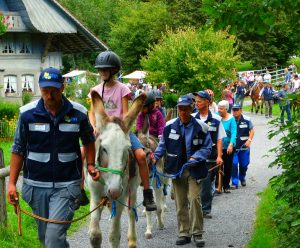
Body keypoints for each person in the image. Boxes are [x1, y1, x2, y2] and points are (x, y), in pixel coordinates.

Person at [7, 67, 100, 248]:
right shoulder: (26, 114)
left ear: (63, 88)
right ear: (40, 89)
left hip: (67, 187)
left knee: (53, 237)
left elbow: (89, 140)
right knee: (46, 238)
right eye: (45, 91)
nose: (49, 96)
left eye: (54, 91)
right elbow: (18, 148)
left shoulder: (78, 113)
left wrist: (90, 164)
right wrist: (11, 184)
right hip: (35, 186)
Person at [89, 50, 156, 211]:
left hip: (120, 130)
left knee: (140, 155)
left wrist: (123, 127)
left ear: (114, 71)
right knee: (83, 151)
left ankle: (147, 193)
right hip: (102, 130)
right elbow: (91, 113)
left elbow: (126, 113)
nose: (102, 72)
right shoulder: (95, 90)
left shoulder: (123, 89)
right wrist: (94, 127)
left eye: (105, 69)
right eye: (100, 69)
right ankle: (78, 189)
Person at [153, 94, 212, 247]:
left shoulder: (202, 127)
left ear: (192, 108)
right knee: (180, 202)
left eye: (186, 109)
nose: (183, 112)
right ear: (177, 109)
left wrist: (197, 157)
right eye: (180, 109)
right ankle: (184, 232)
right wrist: (155, 157)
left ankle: (197, 233)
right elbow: (162, 145)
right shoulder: (169, 127)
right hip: (177, 170)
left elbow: (207, 147)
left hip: (195, 170)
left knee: (194, 199)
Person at [193, 91, 226, 219]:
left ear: (207, 102)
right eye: (196, 101)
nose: (196, 103)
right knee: (194, 182)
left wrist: (219, 156)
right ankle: (194, 206)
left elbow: (219, 139)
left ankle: (205, 209)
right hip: (194, 157)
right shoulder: (192, 118)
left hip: (210, 157)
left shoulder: (216, 119)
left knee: (207, 184)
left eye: (199, 101)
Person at [231, 104, 254, 187]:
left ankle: (242, 177)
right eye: (233, 110)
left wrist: (249, 140)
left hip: (244, 147)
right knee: (233, 164)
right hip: (233, 147)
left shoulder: (247, 119)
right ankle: (234, 182)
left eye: (237, 110)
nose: (235, 111)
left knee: (244, 164)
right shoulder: (230, 119)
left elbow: (251, 130)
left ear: (241, 110)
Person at [216, 100, 237, 193]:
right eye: (218, 108)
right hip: (218, 146)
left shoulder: (231, 119)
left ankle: (226, 185)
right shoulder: (216, 116)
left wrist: (231, 144)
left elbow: (233, 132)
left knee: (228, 166)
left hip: (228, 146)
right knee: (217, 166)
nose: (219, 110)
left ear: (226, 109)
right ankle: (217, 185)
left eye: (221, 109)